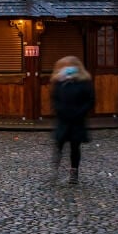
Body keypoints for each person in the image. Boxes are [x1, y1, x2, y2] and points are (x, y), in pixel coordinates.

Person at [50, 56, 95, 185]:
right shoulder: (59, 82)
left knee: (75, 147)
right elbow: (55, 99)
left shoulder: (84, 83)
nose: (67, 68)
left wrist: (80, 112)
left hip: (77, 120)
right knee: (59, 144)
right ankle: (55, 168)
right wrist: (59, 111)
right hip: (63, 119)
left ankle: (74, 173)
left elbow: (90, 100)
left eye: (70, 65)